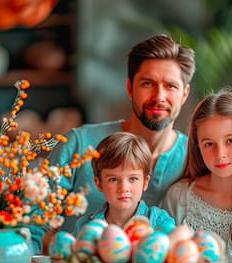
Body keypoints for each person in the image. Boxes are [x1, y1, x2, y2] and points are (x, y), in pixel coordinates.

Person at [47, 34, 195, 233]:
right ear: (130, 88)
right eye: (148, 84)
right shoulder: (80, 145)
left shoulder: (196, 158)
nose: (159, 97)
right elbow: (32, 222)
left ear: (184, 94)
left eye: (171, 86)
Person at [161, 89, 232, 263]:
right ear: (197, 147)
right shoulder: (179, 197)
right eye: (208, 144)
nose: (220, 154)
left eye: (230, 141)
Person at [74, 132, 175, 235]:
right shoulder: (85, 227)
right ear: (99, 183)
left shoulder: (159, 222)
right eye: (113, 179)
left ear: (145, 182)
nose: (123, 188)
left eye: (133, 179)